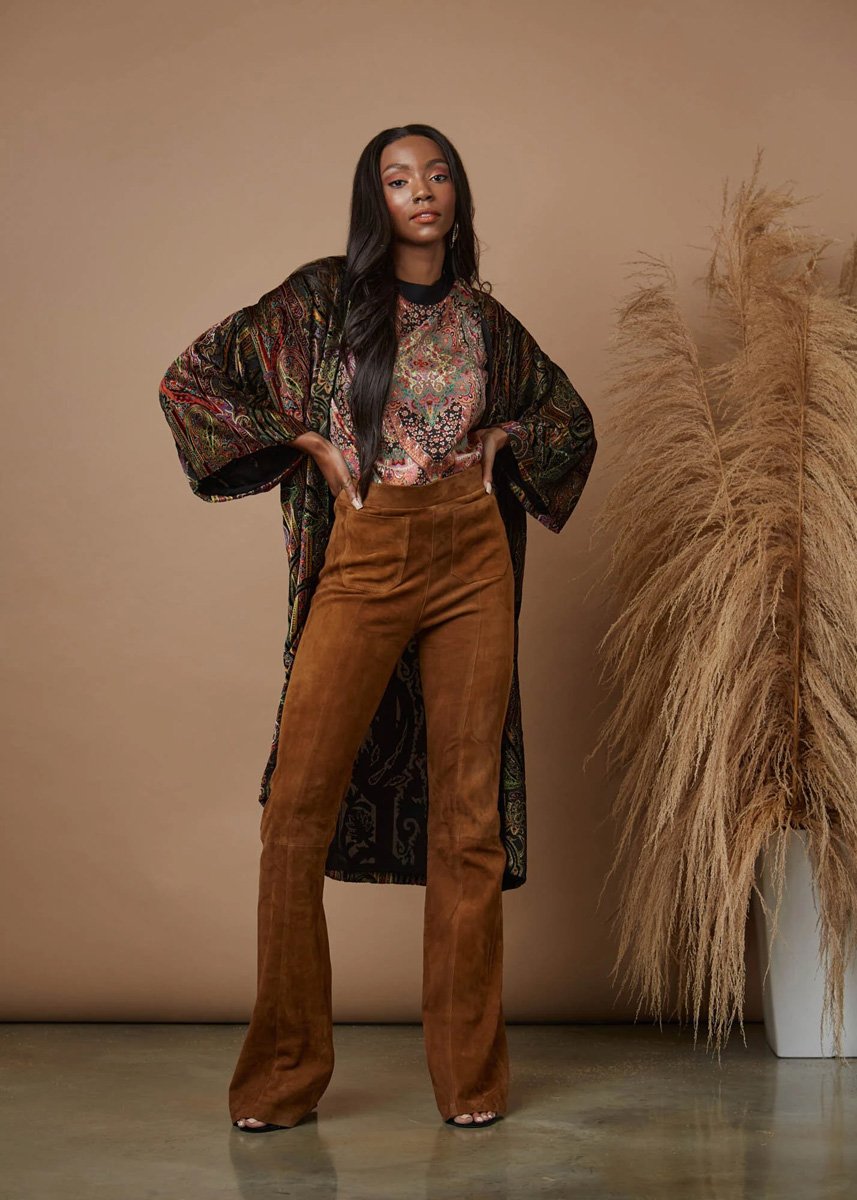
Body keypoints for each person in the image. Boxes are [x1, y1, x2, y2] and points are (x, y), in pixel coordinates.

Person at [158, 123, 597, 1132]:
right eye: (398, 179)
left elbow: (565, 421)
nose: (421, 191)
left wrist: (506, 434)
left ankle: (470, 1082)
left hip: (469, 554)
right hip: (365, 549)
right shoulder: (322, 301)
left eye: (436, 174)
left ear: (458, 195)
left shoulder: (486, 322)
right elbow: (194, 378)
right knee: (295, 812)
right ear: (375, 200)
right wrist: (304, 438)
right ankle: (279, 1078)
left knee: (467, 822)